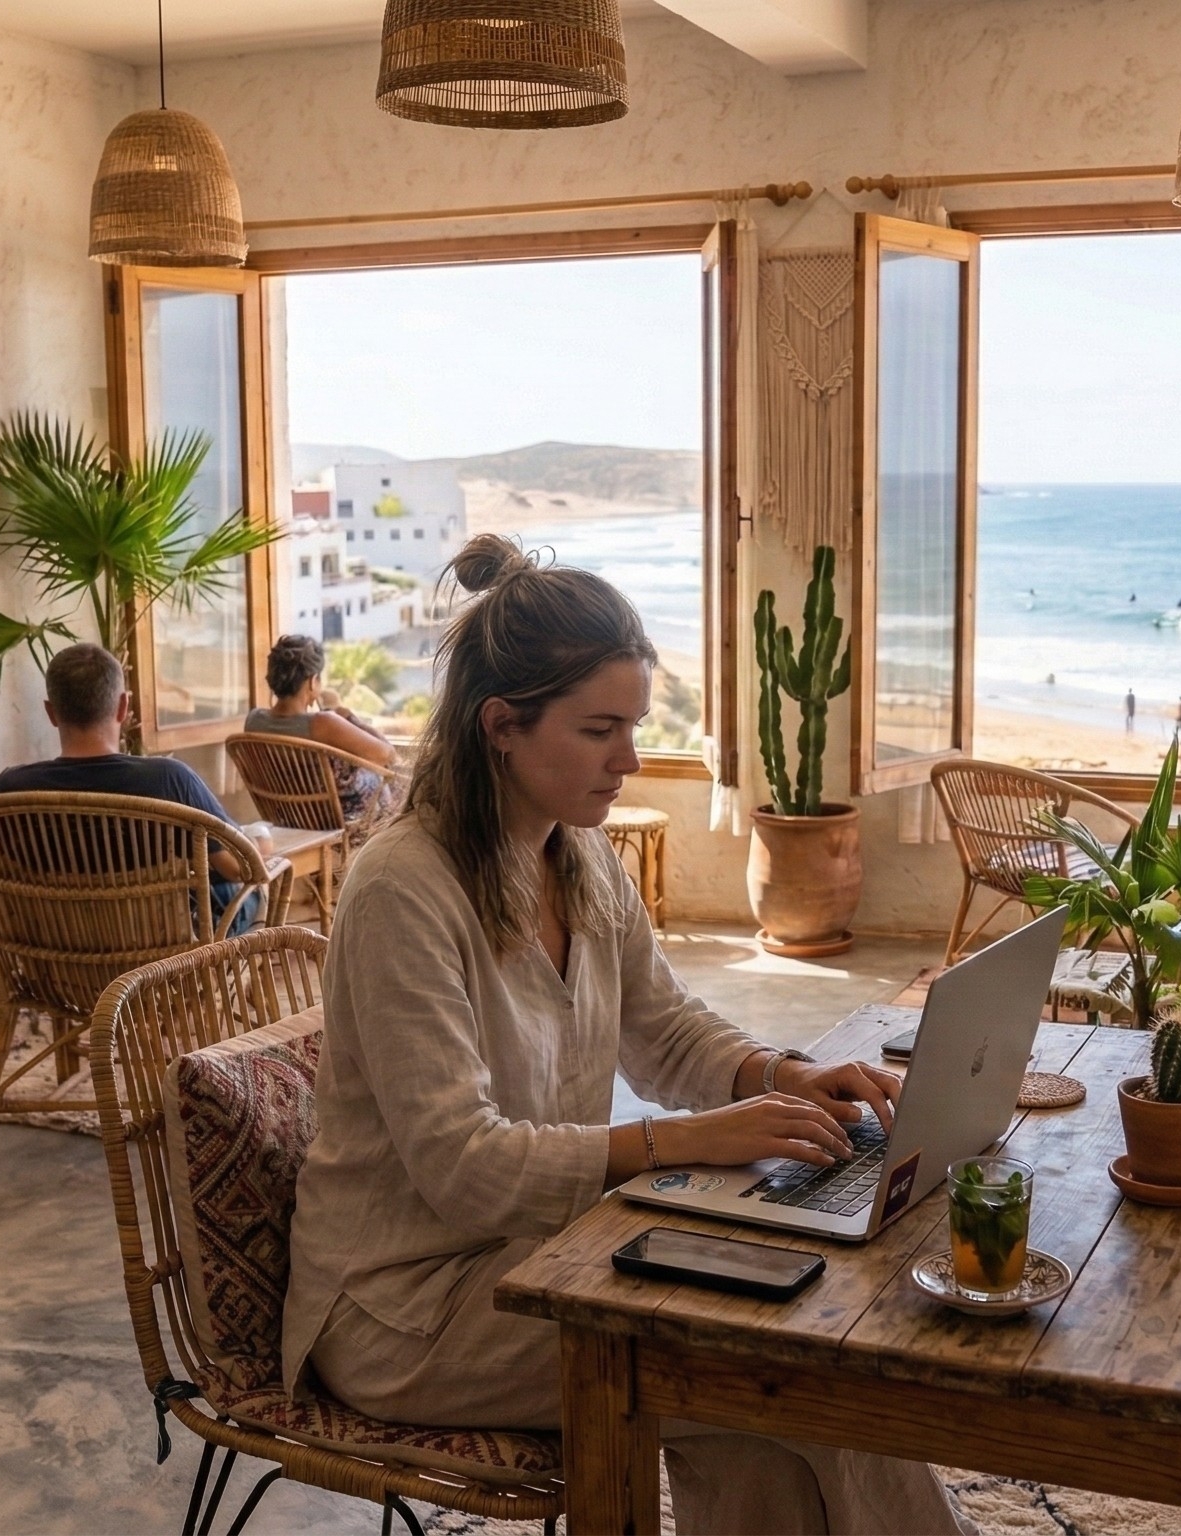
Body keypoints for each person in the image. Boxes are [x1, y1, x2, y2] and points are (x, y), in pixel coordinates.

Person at [281, 536, 968, 1533]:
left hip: (539, 1250)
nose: (630, 759)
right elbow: (460, 1166)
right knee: (763, 1390)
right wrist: (679, 1142)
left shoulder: (579, 856)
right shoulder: (403, 890)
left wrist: (779, 1072)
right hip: (402, 1307)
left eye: (633, 726)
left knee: (799, 1370)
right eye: (600, 729)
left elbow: (664, 1031)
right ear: (500, 728)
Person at [0, 642, 271, 933]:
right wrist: (261, 843)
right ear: (124, 706)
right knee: (248, 893)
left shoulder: (8, 791)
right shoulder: (168, 780)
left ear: (51, 712)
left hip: (53, 958)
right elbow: (240, 869)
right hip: (159, 968)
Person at [244, 634, 400, 821]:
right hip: (332, 822)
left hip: (288, 817)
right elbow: (388, 755)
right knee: (390, 780)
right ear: (312, 681)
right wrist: (349, 717)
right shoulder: (323, 723)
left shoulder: (253, 721)